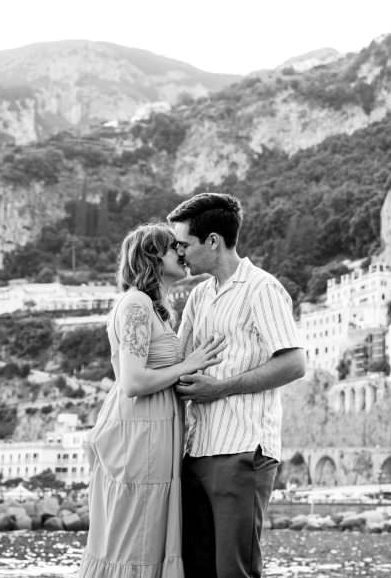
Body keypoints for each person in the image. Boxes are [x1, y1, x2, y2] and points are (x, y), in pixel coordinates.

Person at [167, 193, 305, 578]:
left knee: (234, 571)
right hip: (196, 450)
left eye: (184, 245)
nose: (179, 254)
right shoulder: (198, 296)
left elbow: (294, 364)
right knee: (196, 569)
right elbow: (179, 361)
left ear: (212, 241)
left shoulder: (263, 289)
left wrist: (220, 388)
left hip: (243, 450)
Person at [78, 223, 224, 578]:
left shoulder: (153, 309)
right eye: (174, 247)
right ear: (153, 256)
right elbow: (132, 381)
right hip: (137, 436)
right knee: (134, 542)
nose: (182, 252)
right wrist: (187, 364)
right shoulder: (136, 304)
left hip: (152, 432)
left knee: (145, 538)